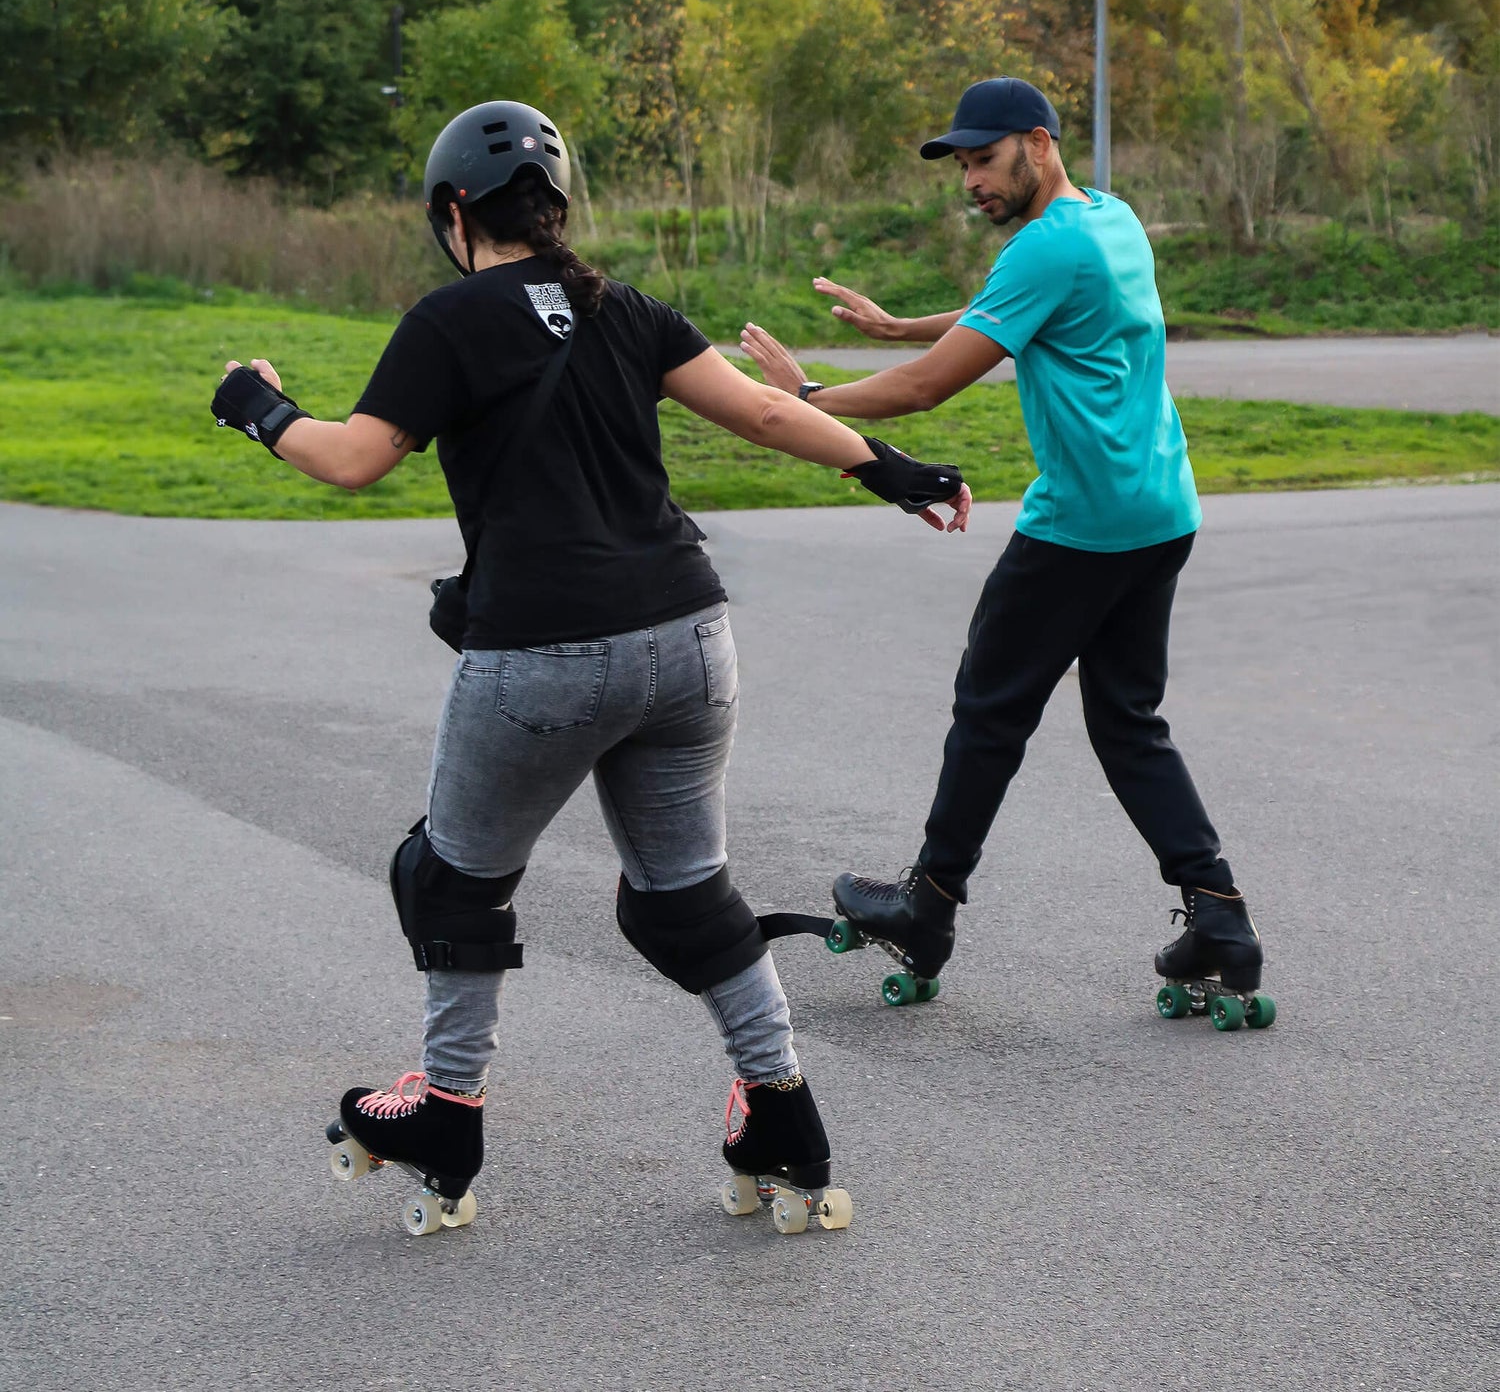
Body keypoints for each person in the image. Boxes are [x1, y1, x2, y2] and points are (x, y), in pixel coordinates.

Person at [209, 99, 972, 1229]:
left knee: (453, 883)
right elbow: (765, 412)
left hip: (541, 660)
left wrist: (257, 406)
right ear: (556, 208)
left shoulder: (450, 319)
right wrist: (893, 468)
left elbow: (356, 458)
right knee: (687, 900)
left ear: (453, 210)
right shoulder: (626, 308)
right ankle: (782, 1111)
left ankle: (447, 1113)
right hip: (688, 642)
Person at [740, 77, 1268, 1016]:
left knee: (990, 707)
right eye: (963, 166)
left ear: (1038, 142)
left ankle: (927, 905)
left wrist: (803, 400)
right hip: (1160, 511)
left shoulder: (1046, 247)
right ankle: (1218, 912)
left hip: (1083, 526)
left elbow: (922, 391)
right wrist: (903, 325)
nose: (970, 180)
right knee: (1127, 720)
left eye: (983, 160)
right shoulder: (1109, 219)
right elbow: (1011, 310)